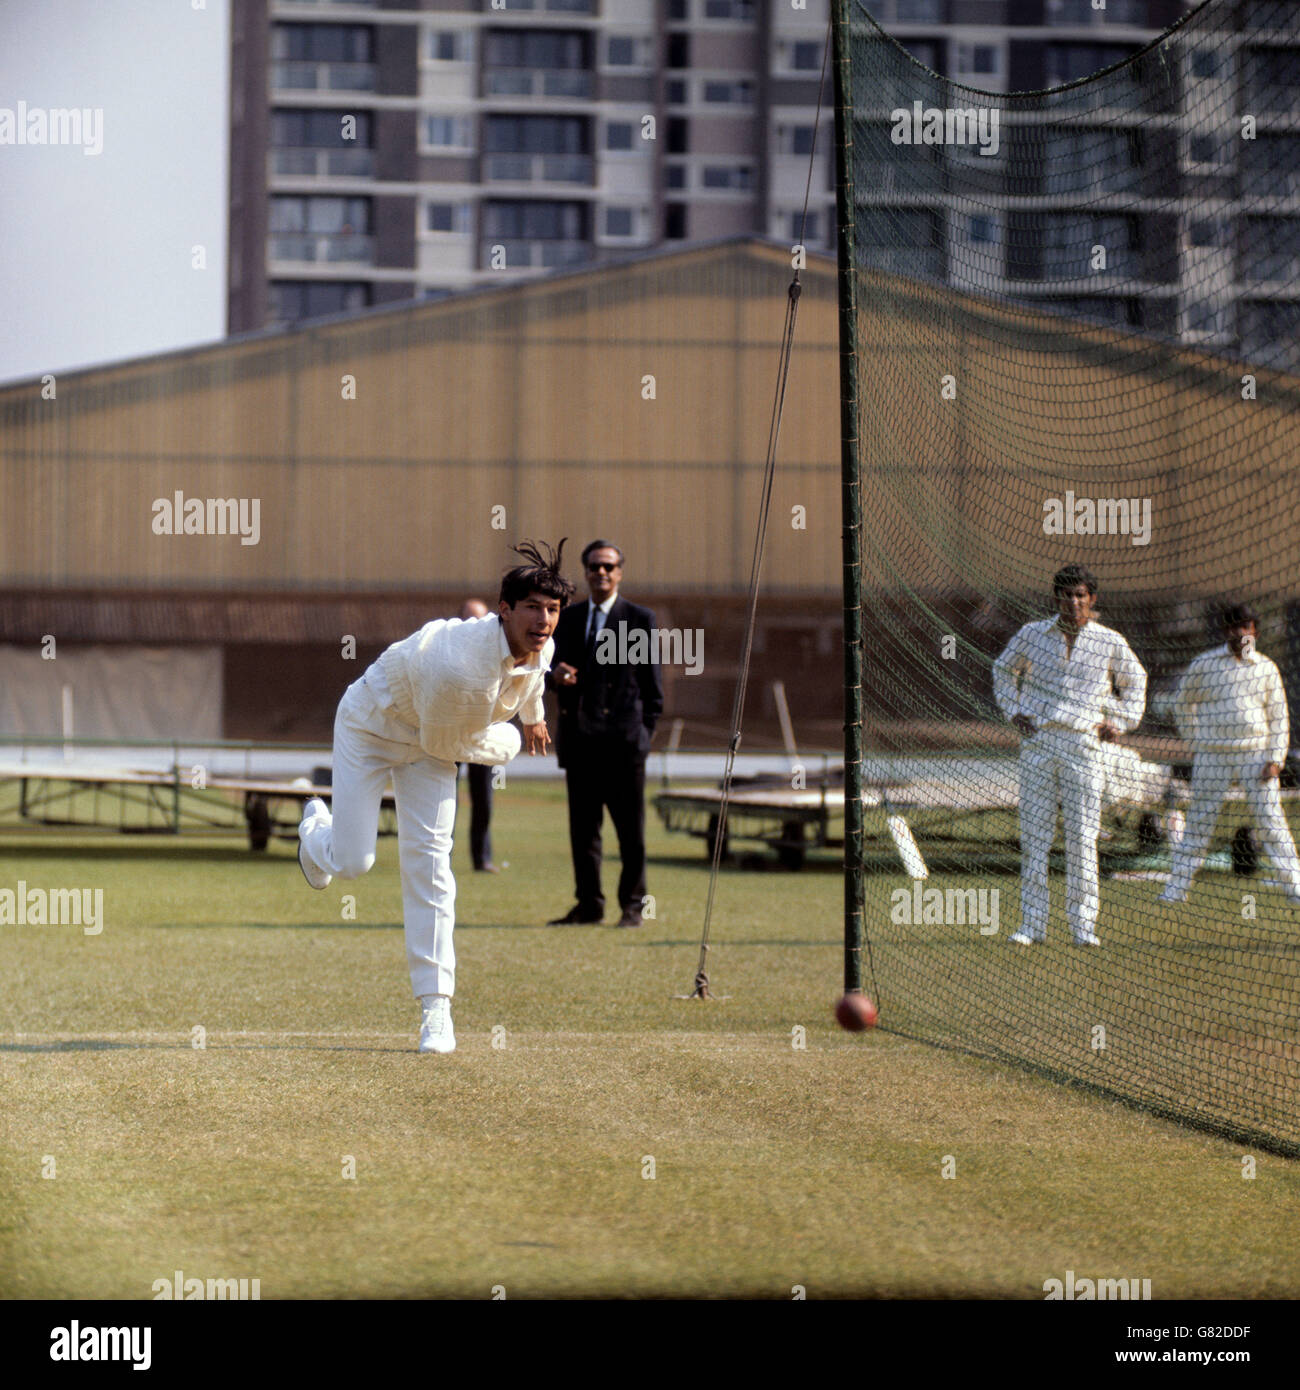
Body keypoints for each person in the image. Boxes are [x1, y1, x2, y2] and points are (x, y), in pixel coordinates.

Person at [297, 541, 573, 1052]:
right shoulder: (461, 667)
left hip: (431, 740)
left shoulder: (543, 646)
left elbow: (533, 680)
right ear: (504, 610)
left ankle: (436, 1010)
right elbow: (445, 744)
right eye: (532, 607)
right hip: (372, 726)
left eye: (552, 610)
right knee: (354, 862)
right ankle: (316, 836)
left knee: (430, 866)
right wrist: (513, 741)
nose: (544, 620)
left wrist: (534, 720)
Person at [992, 564, 1147, 945]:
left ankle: (1083, 927)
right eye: (1066, 595)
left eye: (1080, 595)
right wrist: (1015, 712)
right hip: (1040, 741)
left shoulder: (1108, 640)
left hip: (1084, 744)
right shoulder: (1032, 634)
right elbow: (1002, 671)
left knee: (1082, 836)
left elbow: (1136, 681)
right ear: (1056, 598)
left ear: (1091, 599)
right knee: (1034, 836)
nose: (1073, 602)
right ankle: (1032, 925)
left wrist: (1121, 722)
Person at [546, 539, 663, 929]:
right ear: (585, 571)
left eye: (609, 566)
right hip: (581, 744)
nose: (602, 573)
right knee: (584, 834)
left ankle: (632, 907)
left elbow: (652, 690)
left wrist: (643, 736)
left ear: (620, 572)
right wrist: (555, 676)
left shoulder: (639, 619)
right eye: (595, 566)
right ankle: (589, 906)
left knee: (632, 834)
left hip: (625, 745)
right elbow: (545, 670)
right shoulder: (568, 618)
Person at [1159, 602, 1300, 905]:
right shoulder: (1205, 664)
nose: (1240, 633)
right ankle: (1175, 890)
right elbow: (1182, 704)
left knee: (1272, 823)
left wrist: (1275, 759)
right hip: (1212, 754)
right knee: (1198, 823)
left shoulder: (1266, 668)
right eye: (1235, 627)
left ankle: (1296, 888)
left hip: (1255, 756)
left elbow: (1279, 718)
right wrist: (1195, 740)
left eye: (1246, 627)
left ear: (1255, 632)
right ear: (1226, 631)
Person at [457, 598, 499, 874]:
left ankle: (482, 858)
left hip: (483, 735)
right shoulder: (448, 649)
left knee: (483, 799)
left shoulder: (496, 651)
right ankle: (439, 854)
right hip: (450, 733)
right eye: (469, 618)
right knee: (443, 796)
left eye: (480, 619)